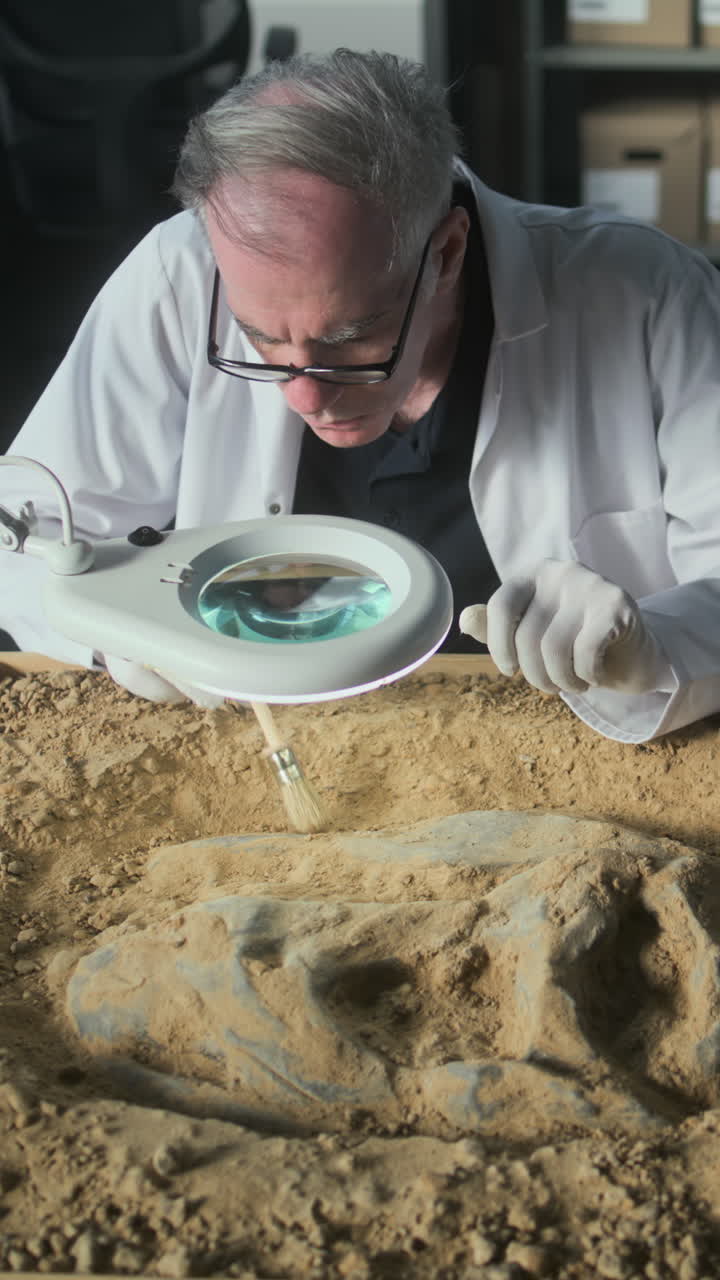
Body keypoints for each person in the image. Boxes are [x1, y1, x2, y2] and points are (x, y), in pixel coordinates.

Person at [1, 48, 720, 743]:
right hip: (266, 741)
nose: (305, 397)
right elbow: (21, 541)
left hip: (560, 745)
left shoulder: (650, 295)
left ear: (445, 251)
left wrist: (656, 646)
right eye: (261, 339)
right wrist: (105, 632)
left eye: (351, 338)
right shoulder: (177, 276)